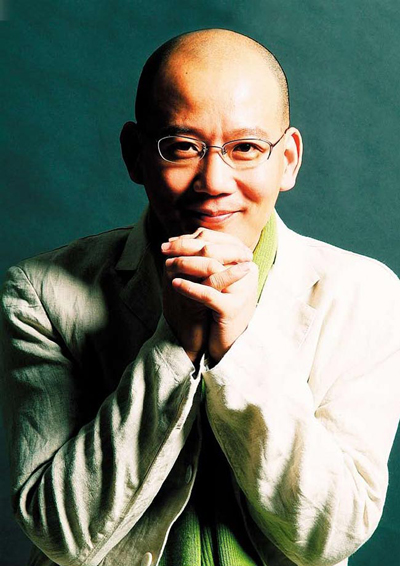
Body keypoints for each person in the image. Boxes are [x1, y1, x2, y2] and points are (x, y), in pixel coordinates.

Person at [1, 28, 399, 566]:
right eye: (182, 147)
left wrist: (241, 350)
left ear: (288, 160)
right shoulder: (41, 292)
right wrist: (174, 346)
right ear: (135, 156)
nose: (213, 181)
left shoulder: (366, 294)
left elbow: (331, 533)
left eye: (246, 148)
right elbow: (59, 532)